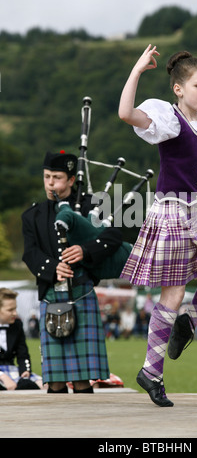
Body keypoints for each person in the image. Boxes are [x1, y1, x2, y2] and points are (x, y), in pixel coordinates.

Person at [118, 45, 197, 407]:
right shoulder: (168, 119)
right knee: (171, 294)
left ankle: (188, 320)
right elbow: (126, 113)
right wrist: (138, 70)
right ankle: (151, 372)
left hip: (195, 210)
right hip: (171, 213)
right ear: (179, 89)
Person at [22, 151, 122, 393]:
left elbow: (114, 236)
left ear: (70, 180)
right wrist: (52, 267)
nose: (50, 183)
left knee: (82, 378)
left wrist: (85, 250)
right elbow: (30, 253)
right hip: (51, 293)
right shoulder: (33, 215)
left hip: (81, 291)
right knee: (55, 380)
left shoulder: (92, 206)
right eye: (46, 177)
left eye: (56, 177)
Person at [0, 288, 43, 391]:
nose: (15, 313)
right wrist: (2, 376)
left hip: (11, 369)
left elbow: (23, 354)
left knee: (42, 385)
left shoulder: (17, 326)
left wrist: (25, 371)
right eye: (10, 310)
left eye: (15, 309)